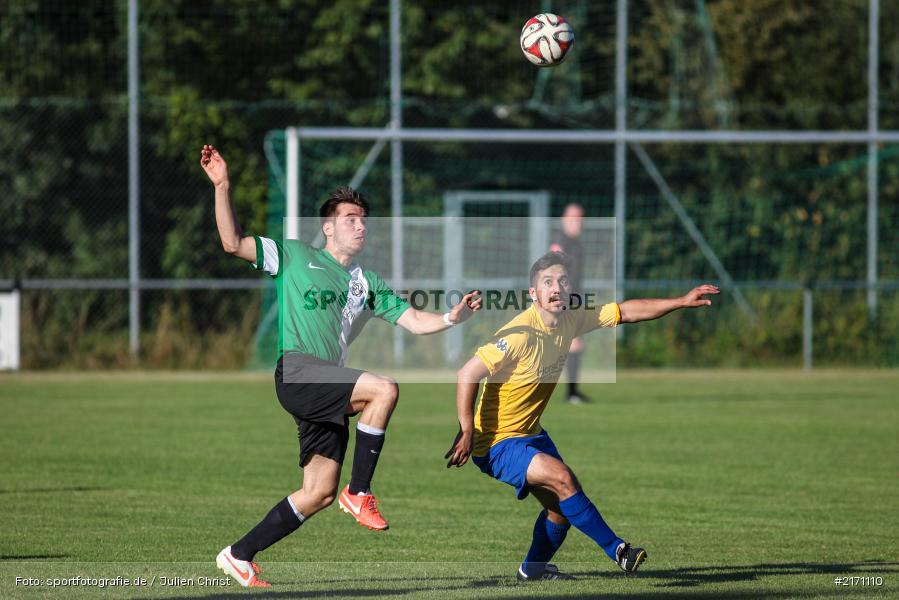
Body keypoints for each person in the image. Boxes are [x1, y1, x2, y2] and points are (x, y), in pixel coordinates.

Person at [200, 145, 481, 587]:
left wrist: (451, 318)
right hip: (298, 371)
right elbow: (232, 242)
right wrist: (222, 186)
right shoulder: (293, 255)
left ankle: (238, 554)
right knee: (384, 388)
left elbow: (413, 321)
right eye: (351, 219)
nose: (360, 225)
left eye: (364, 219)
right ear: (328, 228)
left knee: (317, 493)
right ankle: (360, 491)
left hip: (325, 383)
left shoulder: (366, 282)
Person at [445, 251, 718, 581]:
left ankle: (531, 572)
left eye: (562, 281)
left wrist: (681, 301)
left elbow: (627, 311)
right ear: (533, 293)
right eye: (547, 282)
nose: (556, 288)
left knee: (561, 510)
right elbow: (467, 373)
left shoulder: (571, 319)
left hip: (531, 434)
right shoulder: (517, 334)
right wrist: (466, 430)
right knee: (563, 478)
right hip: (495, 443)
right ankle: (619, 550)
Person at [549, 203, 589, 404]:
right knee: (573, 342)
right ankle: (572, 393)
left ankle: (572, 392)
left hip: (573, 297)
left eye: (580, 218)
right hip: (564, 298)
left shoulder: (576, 242)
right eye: (573, 218)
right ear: (564, 219)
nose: (577, 222)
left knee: (573, 343)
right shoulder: (561, 241)